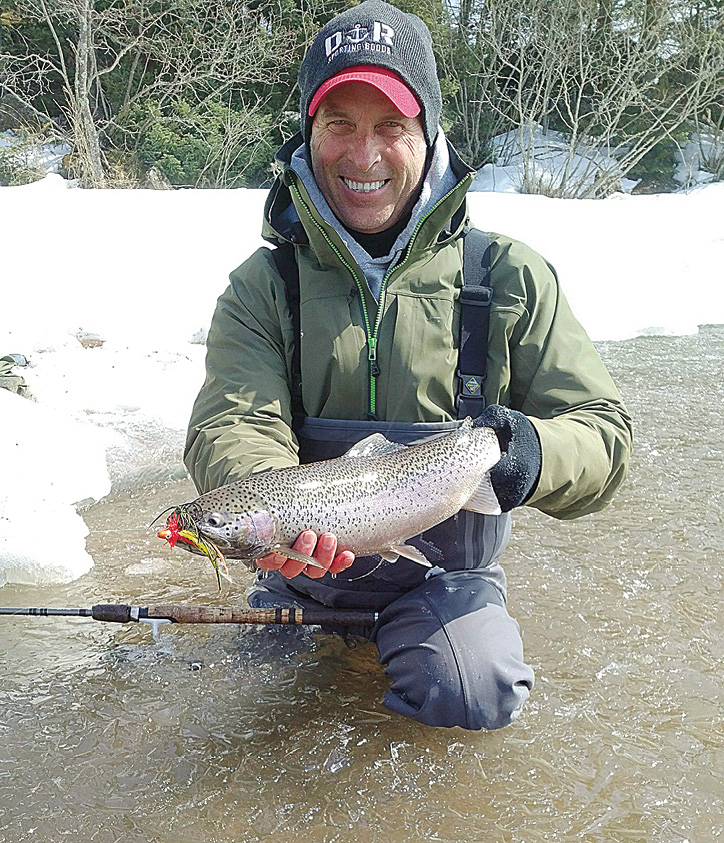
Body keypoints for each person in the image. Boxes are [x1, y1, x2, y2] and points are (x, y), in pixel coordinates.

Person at [185, 0, 632, 730]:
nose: (363, 156)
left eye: (390, 126)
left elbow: (605, 434)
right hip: (301, 578)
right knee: (247, 723)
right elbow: (232, 421)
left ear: (427, 133)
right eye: (340, 126)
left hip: (446, 581)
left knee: (475, 692)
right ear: (309, 134)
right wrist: (264, 513)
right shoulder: (265, 286)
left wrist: (536, 452)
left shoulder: (511, 275)